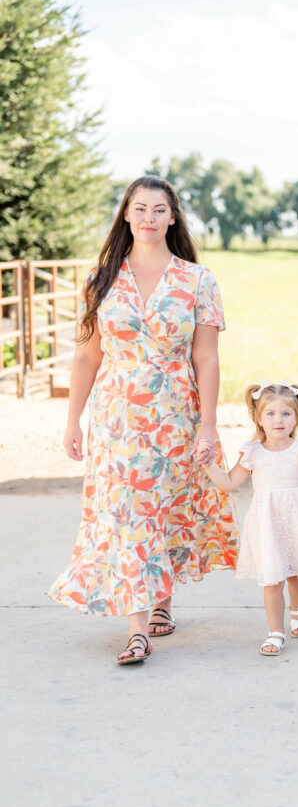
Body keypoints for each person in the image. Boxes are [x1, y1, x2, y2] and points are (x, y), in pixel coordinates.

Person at [48, 175, 238, 664]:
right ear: (126, 215)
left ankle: (162, 600)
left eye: (158, 209)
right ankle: (137, 629)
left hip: (176, 416)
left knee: (167, 513)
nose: (149, 217)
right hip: (116, 422)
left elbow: (208, 360)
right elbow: (87, 357)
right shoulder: (101, 278)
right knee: (129, 517)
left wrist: (209, 425)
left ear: (172, 217)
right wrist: (73, 421)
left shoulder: (197, 280)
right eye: (139, 208)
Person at [198, 382, 298, 657]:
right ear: (259, 419)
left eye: (286, 414)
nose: (278, 420)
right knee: (272, 580)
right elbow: (230, 482)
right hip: (267, 525)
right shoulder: (253, 452)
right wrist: (209, 465)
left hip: (295, 521)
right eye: (270, 414)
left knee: (296, 574)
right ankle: (275, 632)